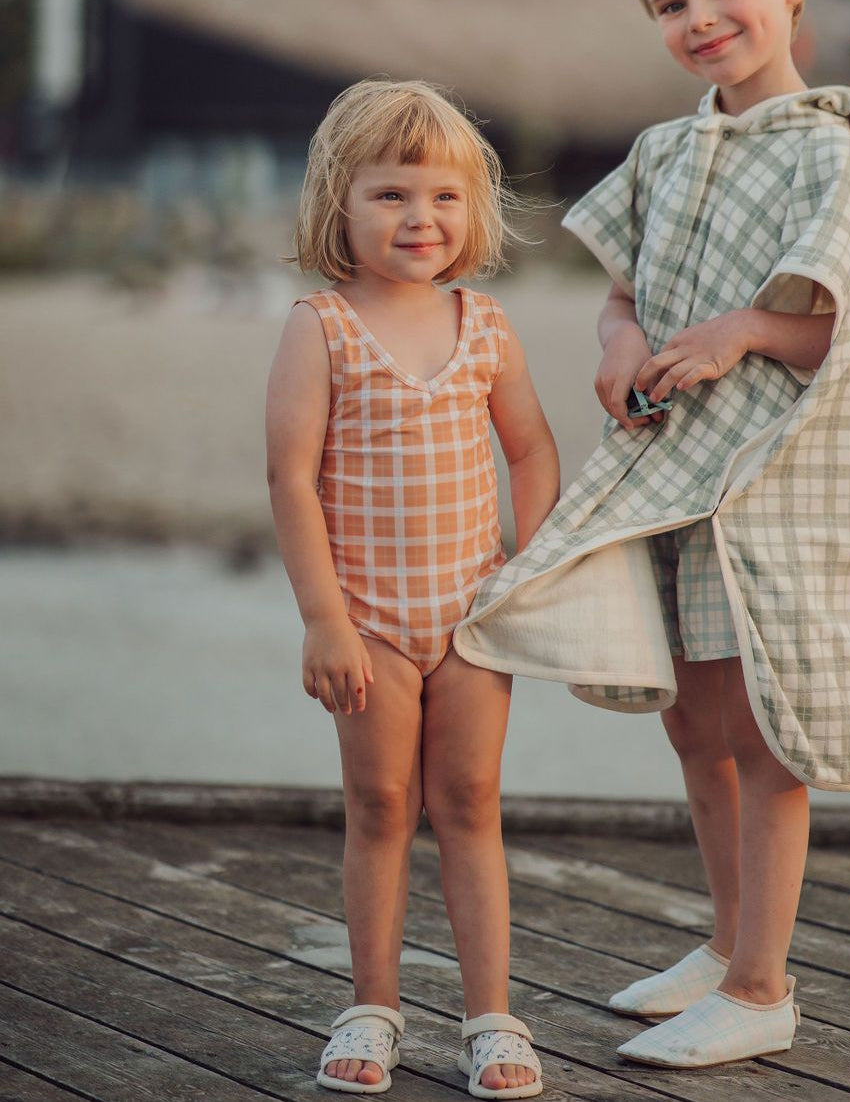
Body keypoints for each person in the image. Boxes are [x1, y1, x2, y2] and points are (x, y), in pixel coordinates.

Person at [454, 0, 850, 1069]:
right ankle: (723, 950)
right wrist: (618, 341)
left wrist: (743, 332)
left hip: (759, 492)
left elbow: (846, 330)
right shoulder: (664, 152)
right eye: (671, 2)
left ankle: (765, 986)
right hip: (670, 480)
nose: (701, 17)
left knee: (764, 741)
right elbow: (620, 286)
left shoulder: (829, 151)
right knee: (696, 730)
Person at [266, 79, 558, 1097]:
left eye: (441, 196)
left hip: (473, 618)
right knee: (381, 804)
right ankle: (373, 1007)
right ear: (338, 205)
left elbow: (530, 451)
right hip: (371, 625)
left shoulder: (484, 325)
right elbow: (290, 480)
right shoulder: (322, 327)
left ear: (471, 208)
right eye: (390, 195)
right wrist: (324, 622)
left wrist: (526, 570)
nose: (419, 218)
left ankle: (491, 1017)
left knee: (471, 801)